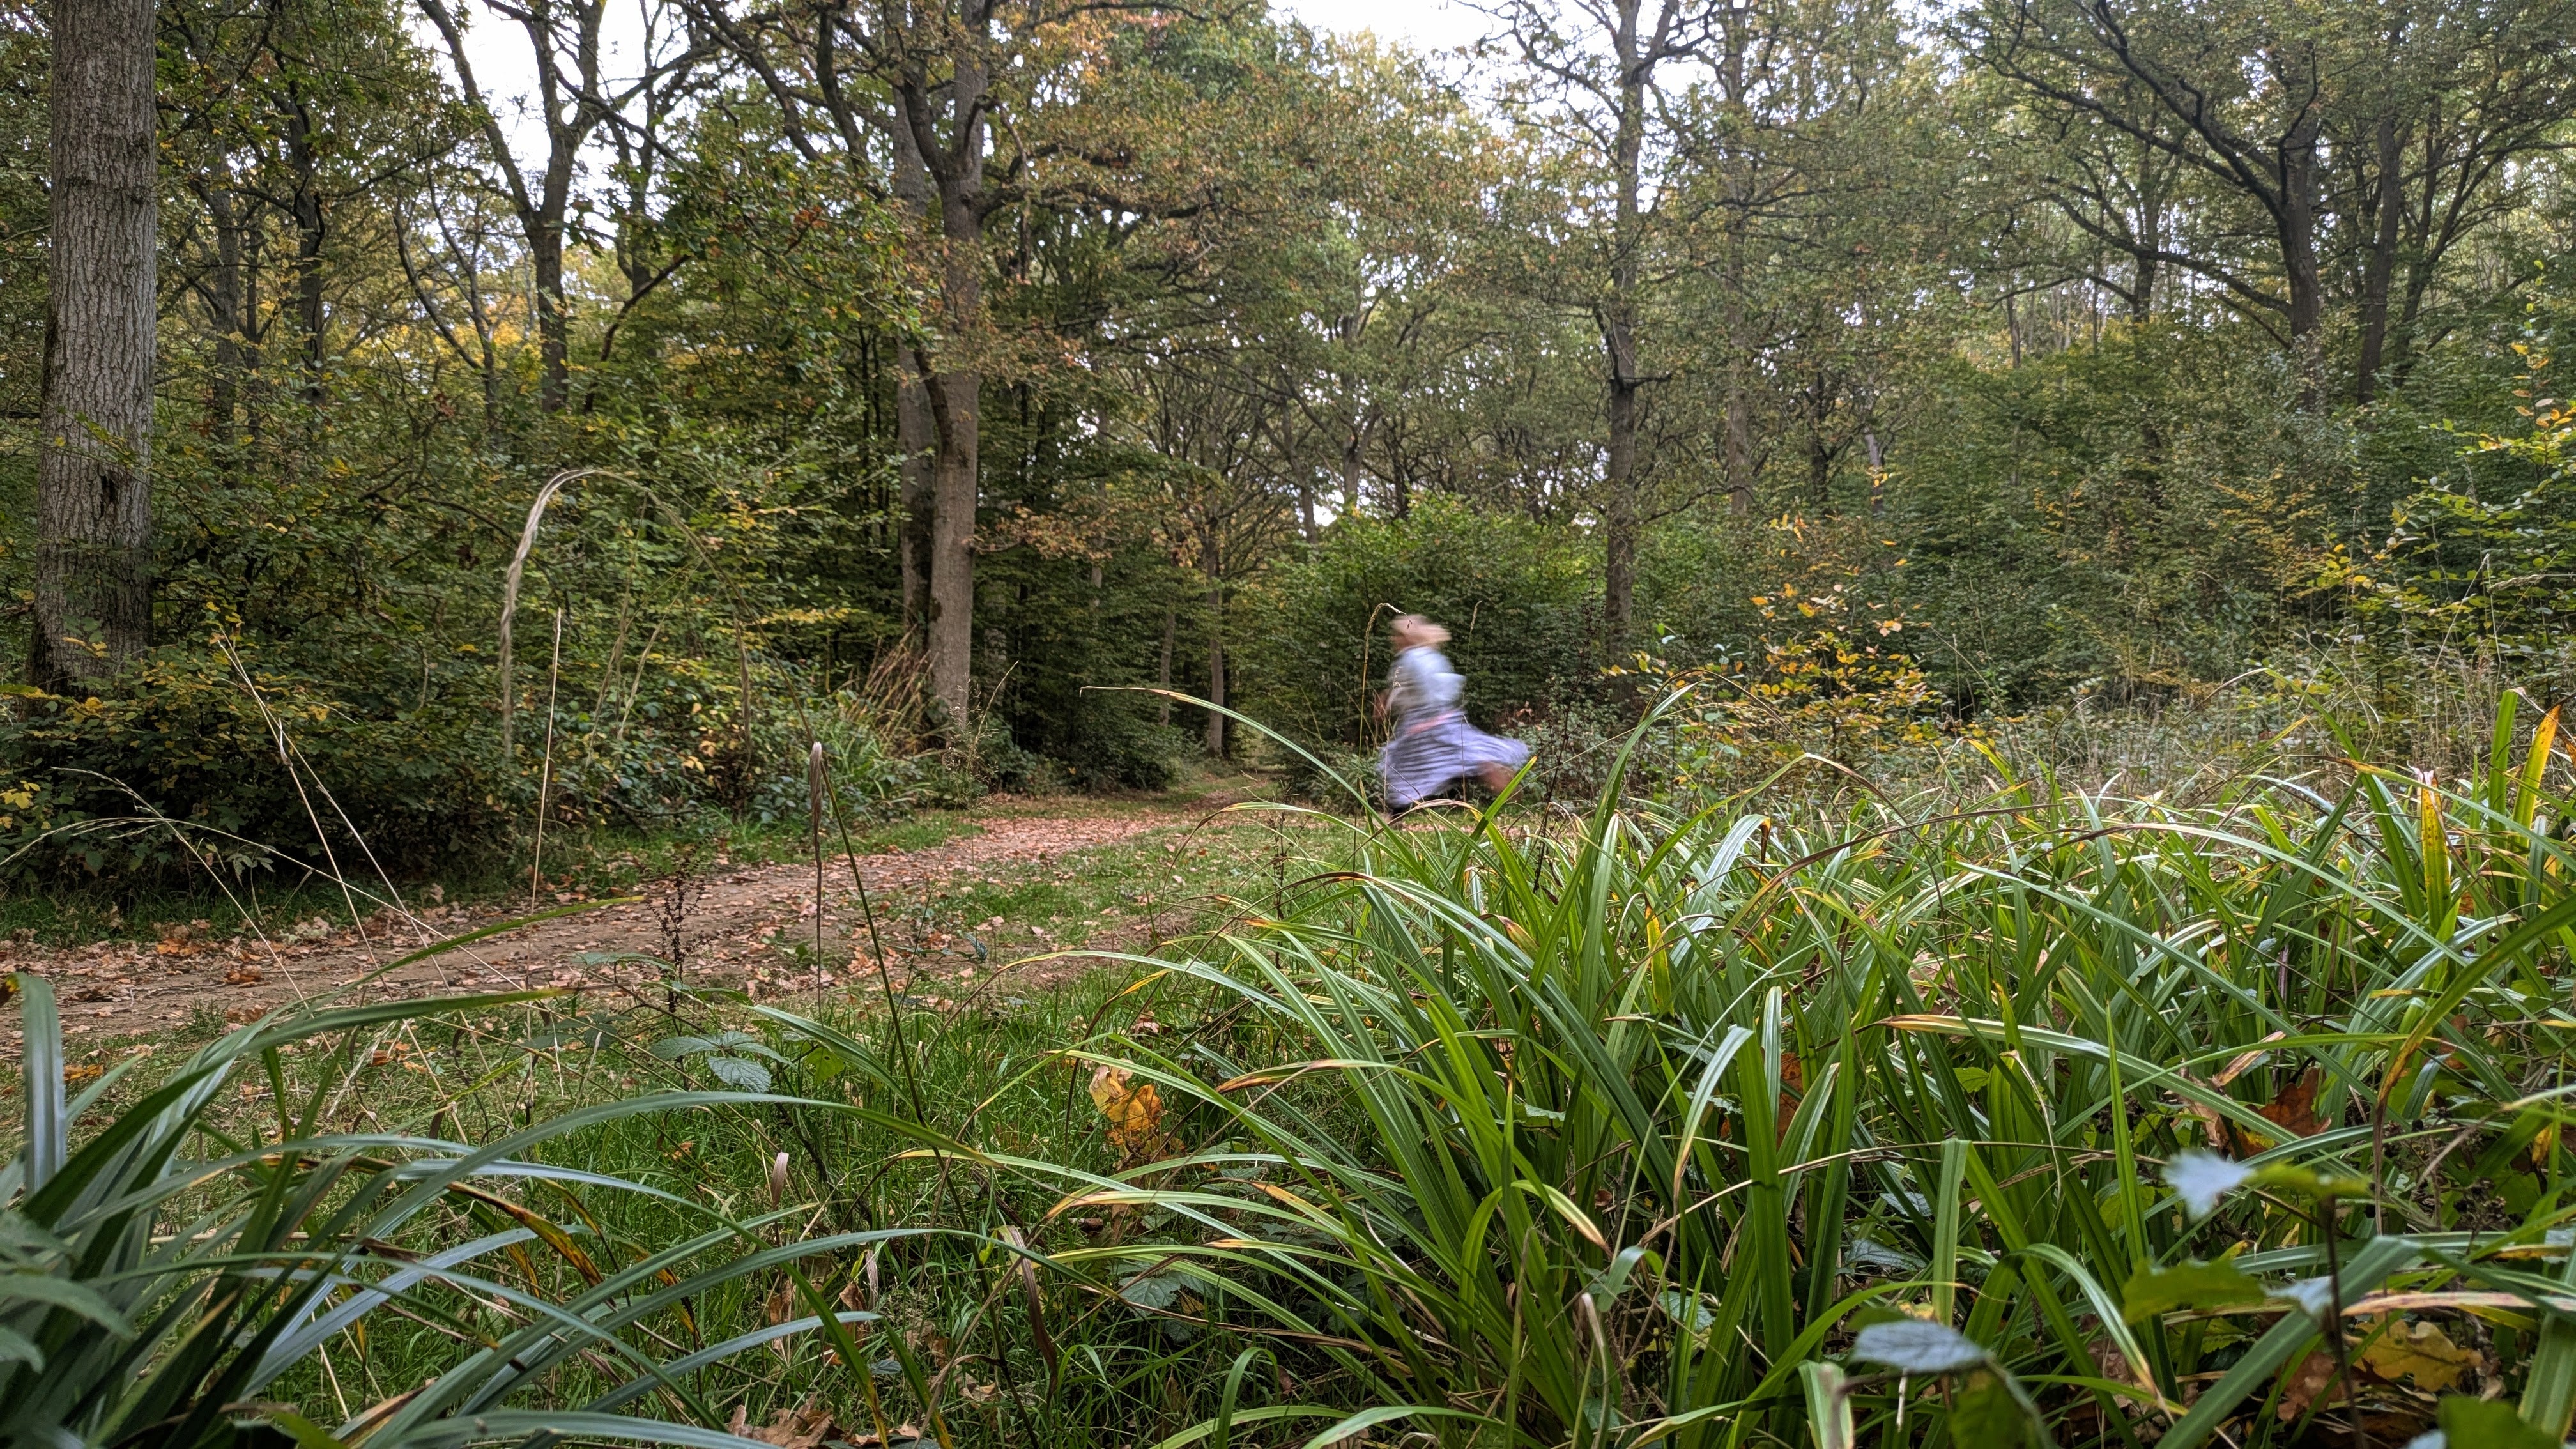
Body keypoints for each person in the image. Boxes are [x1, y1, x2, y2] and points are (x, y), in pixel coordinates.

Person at [1376, 614, 1532, 811]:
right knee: (1468, 760)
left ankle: (1393, 818)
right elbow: (1433, 686)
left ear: (1408, 637)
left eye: (1397, 635)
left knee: (1402, 772)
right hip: (1443, 718)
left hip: (1423, 725)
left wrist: (1390, 701)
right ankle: (1511, 793)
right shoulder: (1432, 656)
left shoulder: (1410, 658)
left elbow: (1419, 689)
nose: (1394, 639)